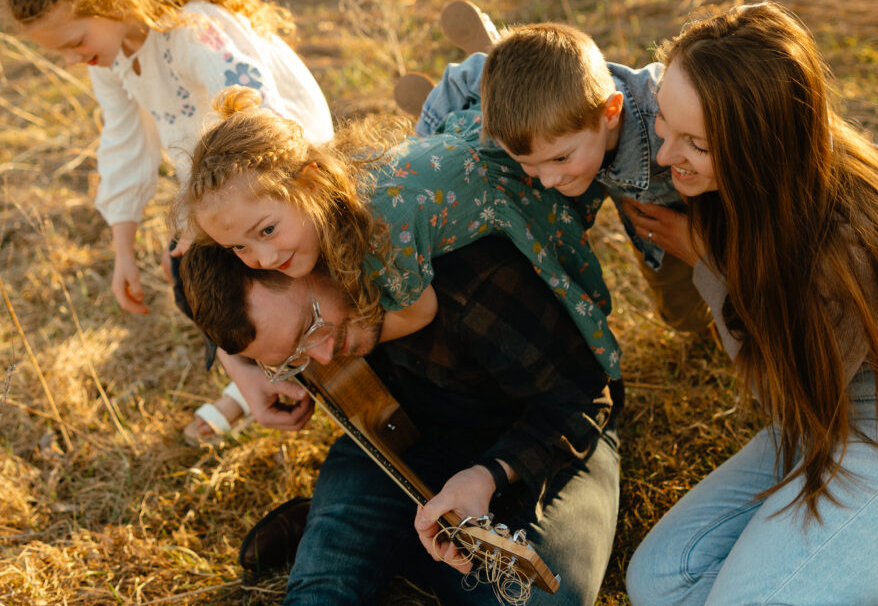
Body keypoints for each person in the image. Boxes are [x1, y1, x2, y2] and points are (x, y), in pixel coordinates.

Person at [622, 0, 878, 605]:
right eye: (663, 124)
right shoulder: (755, 177)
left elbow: (779, 386)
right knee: (663, 581)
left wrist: (707, 255)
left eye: (695, 143)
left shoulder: (845, 240)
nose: (663, 156)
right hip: (817, 421)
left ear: (762, 143)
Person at [1, 0, 333, 444]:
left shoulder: (193, 30)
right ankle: (253, 377)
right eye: (59, 52)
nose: (72, 59)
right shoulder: (113, 59)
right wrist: (123, 249)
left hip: (283, 175)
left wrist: (200, 225)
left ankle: (283, 367)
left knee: (207, 265)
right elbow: (124, 142)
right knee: (188, 272)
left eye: (75, 41)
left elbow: (258, 119)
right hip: (224, 196)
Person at [179, 235, 622, 605]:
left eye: (309, 330)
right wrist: (240, 365)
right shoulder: (248, 243)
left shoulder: (467, 279)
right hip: (394, 428)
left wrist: (488, 476)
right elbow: (184, 265)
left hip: (540, 432)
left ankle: (367, 534)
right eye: (293, 358)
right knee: (320, 595)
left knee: (544, 598)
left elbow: (582, 398)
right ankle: (368, 529)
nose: (324, 357)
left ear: (305, 251)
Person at [175, 87, 621, 377]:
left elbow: (418, 312)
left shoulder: (380, 227)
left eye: (267, 230)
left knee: (566, 282)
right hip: (456, 155)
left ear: (310, 182)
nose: (265, 259)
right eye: (239, 247)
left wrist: (340, 345)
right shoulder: (316, 205)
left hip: (504, 187)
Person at [397, 8, 711, 335]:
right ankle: (468, 113)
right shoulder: (568, 145)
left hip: (688, 215)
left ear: (610, 113)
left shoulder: (666, 113)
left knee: (702, 301)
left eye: (559, 159)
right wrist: (424, 144)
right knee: (682, 317)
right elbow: (467, 75)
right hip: (609, 177)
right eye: (530, 162)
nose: (546, 179)